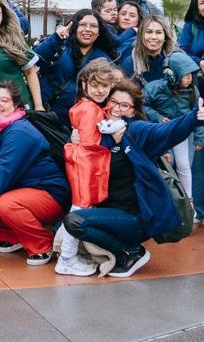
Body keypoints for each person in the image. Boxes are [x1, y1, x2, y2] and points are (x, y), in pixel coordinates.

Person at [61, 79, 201, 278]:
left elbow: (165, 132)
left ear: (133, 111)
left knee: (74, 222)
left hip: (134, 217)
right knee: (65, 229)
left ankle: (130, 252)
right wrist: (73, 141)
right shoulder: (99, 132)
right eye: (113, 102)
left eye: (124, 105)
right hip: (107, 209)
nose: (117, 109)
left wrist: (193, 118)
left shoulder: (136, 131)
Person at [0, 80, 70, 266]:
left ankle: (42, 244)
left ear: (15, 104)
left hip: (48, 193)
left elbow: (3, 173)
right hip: (17, 190)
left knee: (7, 204)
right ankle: (12, 238)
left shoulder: (19, 130)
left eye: (3, 100)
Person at [54, 59, 122, 276]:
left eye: (105, 85)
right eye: (95, 85)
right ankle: (66, 258)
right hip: (86, 167)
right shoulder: (91, 109)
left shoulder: (86, 107)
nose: (100, 90)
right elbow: (92, 144)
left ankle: (66, 254)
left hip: (82, 164)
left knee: (78, 210)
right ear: (85, 85)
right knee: (79, 212)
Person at [34, 9, 117, 126]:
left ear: (99, 32)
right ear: (74, 27)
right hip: (44, 112)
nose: (87, 29)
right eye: (83, 25)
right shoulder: (61, 46)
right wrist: (56, 39)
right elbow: (36, 59)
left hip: (77, 122)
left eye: (93, 26)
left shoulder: (104, 59)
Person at [141, 51, 199, 195]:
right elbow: (142, 105)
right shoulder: (154, 88)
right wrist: (159, 118)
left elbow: (199, 114)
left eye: (191, 74)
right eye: (186, 75)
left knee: (184, 165)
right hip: (161, 130)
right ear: (171, 74)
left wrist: (199, 138)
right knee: (165, 163)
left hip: (180, 131)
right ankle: (166, 197)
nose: (189, 79)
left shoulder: (192, 91)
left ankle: (188, 199)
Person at [121, 16, 176, 84]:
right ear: (141, 36)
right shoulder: (130, 63)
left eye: (158, 32)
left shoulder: (175, 60)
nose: (153, 37)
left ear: (165, 37)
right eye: (149, 32)